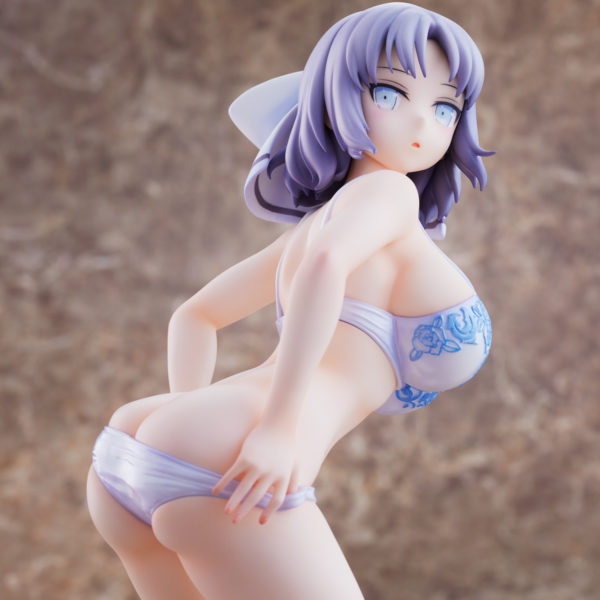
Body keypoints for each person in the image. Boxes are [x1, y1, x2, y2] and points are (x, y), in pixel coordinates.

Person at [87, 3, 493, 599]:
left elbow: (194, 317)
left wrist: (183, 418)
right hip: (238, 454)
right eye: (389, 94)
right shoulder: (389, 193)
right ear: (336, 96)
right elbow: (325, 266)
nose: (422, 123)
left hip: (137, 447)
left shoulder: (306, 231)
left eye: (445, 108)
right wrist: (277, 430)